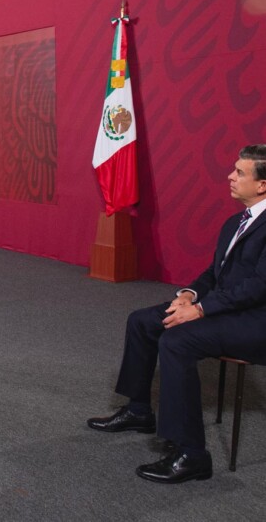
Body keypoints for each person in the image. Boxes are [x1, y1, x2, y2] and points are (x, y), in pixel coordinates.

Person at [87, 144, 266, 483]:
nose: (230, 176)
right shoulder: (235, 222)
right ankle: (140, 410)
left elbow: (259, 287)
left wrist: (200, 310)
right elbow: (215, 274)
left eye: (240, 173)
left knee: (177, 341)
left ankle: (192, 454)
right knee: (142, 321)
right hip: (224, 308)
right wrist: (188, 294)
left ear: (262, 185)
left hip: (256, 321)